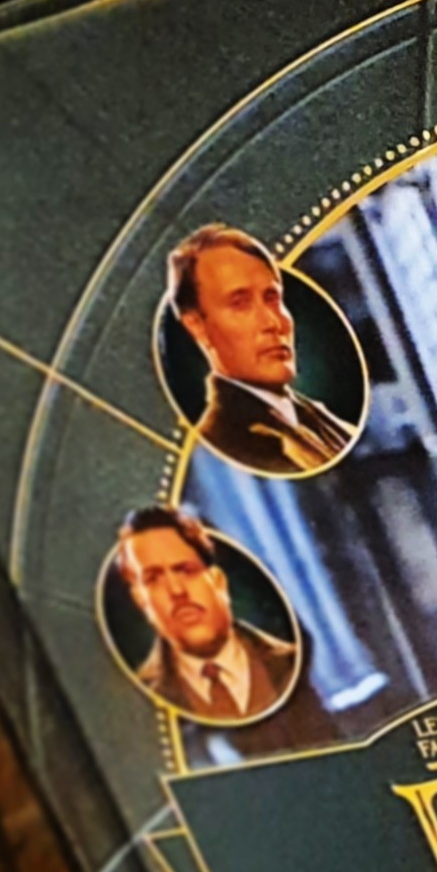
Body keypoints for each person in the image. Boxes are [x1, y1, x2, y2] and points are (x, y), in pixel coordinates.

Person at [167, 223, 356, 475]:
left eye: (272, 298)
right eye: (240, 304)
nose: (273, 322)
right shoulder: (225, 440)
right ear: (197, 326)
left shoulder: (316, 417)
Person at [117, 503, 298, 722]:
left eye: (185, 570)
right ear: (140, 600)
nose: (176, 590)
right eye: (153, 578)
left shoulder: (293, 661)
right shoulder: (134, 701)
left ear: (219, 582)